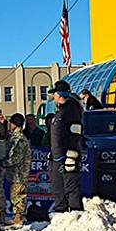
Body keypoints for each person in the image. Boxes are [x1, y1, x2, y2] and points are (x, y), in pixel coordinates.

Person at [49, 80, 83, 213]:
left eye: (55, 94)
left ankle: (75, 213)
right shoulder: (60, 111)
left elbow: (76, 131)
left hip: (68, 155)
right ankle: (60, 212)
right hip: (58, 155)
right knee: (58, 186)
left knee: (70, 186)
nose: (54, 97)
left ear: (60, 94)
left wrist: (72, 153)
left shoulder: (71, 109)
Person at [6, 113, 31, 227]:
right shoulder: (14, 137)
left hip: (19, 172)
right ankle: (17, 215)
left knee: (18, 195)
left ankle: (18, 217)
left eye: (11, 122)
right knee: (15, 194)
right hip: (16, 172)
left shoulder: (19, 139)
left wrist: (5, 163)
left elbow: (16, 156)